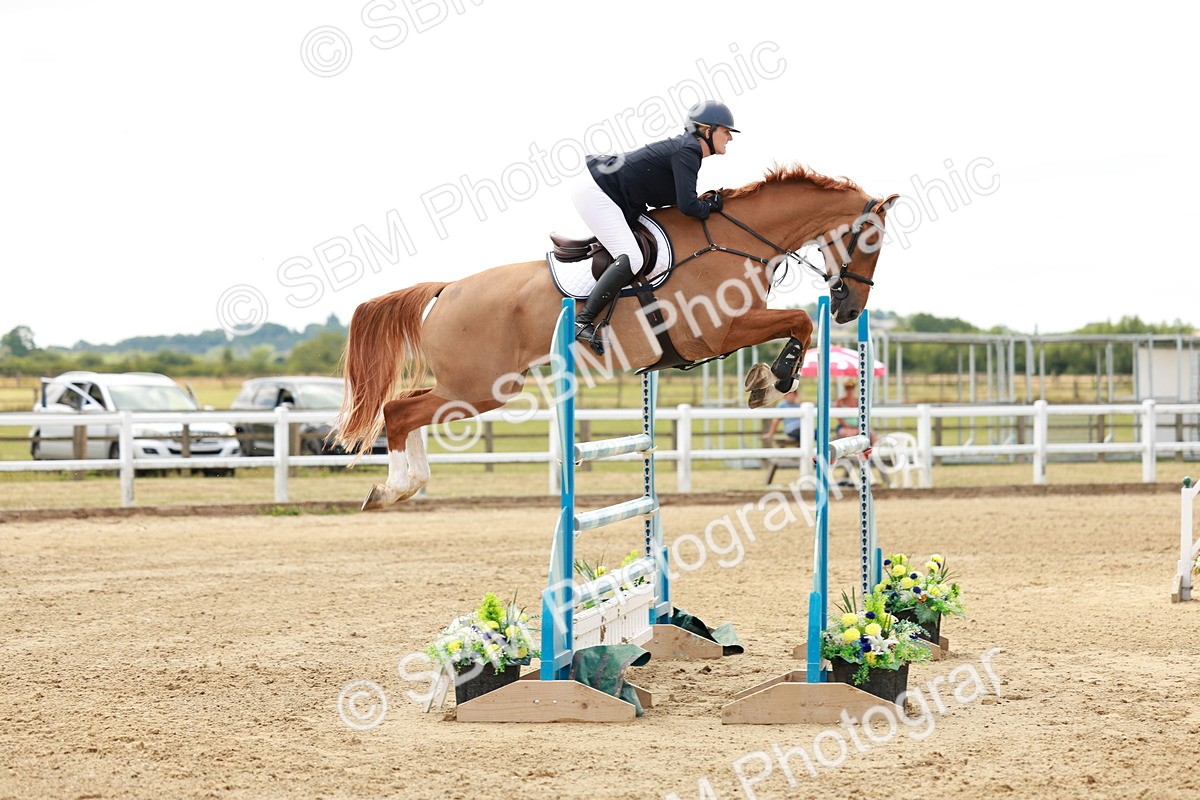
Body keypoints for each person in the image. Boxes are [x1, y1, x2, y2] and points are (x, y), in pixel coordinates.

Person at [571, 100, 739, 354]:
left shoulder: (687, 149)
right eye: (726, 131)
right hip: (598, 192)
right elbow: (688, 206)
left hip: (608, 193)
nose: (730, 138)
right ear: (708, 130)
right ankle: (581, 320)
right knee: (633, 258)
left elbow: (679, 201)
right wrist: (711, 206)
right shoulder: (688, 151)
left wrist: (705, 203)